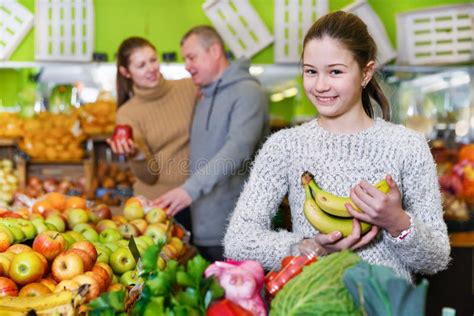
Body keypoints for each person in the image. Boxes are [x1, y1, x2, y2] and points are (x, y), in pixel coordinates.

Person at [224, 11, 450, 281]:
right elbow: (237, 240)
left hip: (385, 307)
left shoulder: (408, 146)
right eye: (311, 71)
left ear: (365, 73)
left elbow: (436, 258)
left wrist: (397, 221)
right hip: (314, 305)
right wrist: (308, 247)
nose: (320, 85)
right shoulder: (284, 146)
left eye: (335, 72)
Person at [154, 26, 268, 262]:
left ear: (215, 51)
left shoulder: (248, 92)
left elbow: (238, 149)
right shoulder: (204, 95)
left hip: (234, 228)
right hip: (202, 225)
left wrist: (190, 189)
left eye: (192, 57)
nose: (187, 65)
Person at [107, 37, 197, 230]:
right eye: (141, 65)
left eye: (153, 60)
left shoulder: (189, 88)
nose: (151, 68)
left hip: (198, 195)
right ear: (126, 72)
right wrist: (136, 155)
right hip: (158, 206)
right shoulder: (128, 113)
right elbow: (149, 177)